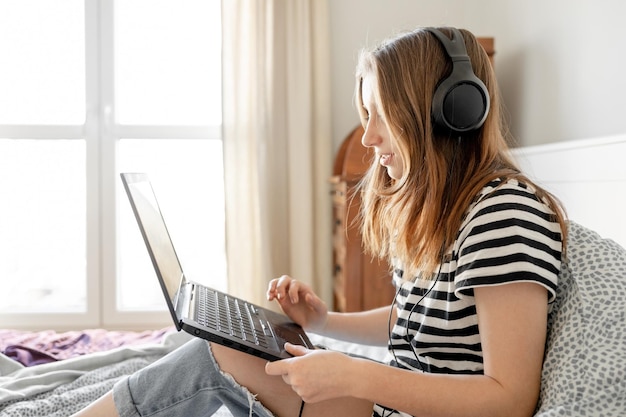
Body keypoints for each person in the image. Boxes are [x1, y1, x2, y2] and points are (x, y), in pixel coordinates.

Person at [73, 26, 566, 417]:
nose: (369, 137)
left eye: (381, 115)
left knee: (212, 359)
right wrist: (324, 322)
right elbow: (422, 323)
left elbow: (509, 400)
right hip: (395, 405)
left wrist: (357, 377)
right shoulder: (451, 209)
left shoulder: (504, 216)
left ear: (450, 114)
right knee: (220, 348)